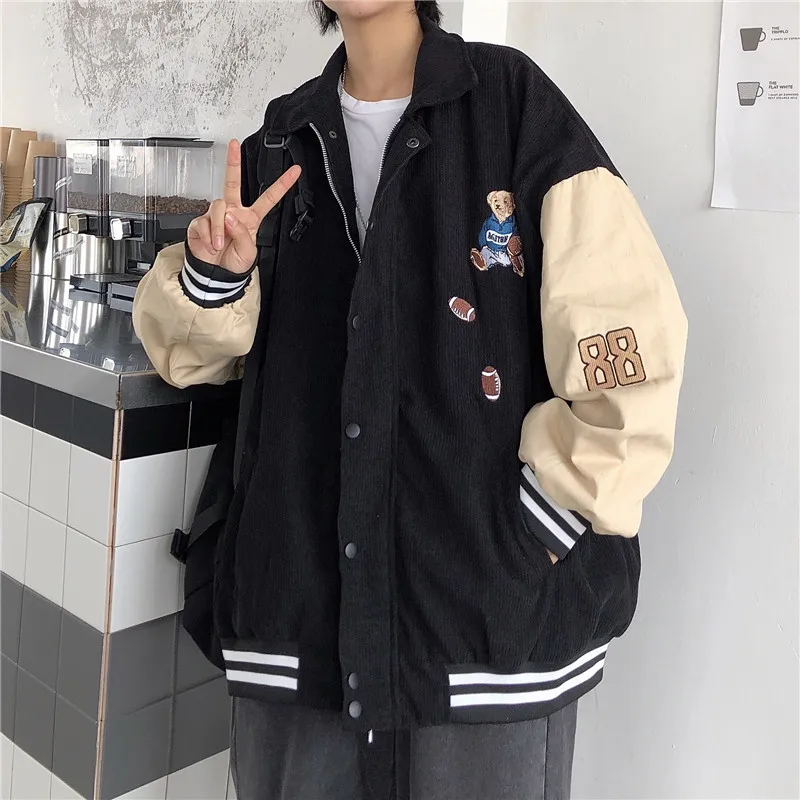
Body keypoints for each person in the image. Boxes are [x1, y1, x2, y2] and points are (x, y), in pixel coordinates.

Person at [133, 1, 688, 798]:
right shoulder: (279, 142)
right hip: (300, 629)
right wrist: (217, 273)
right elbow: (190, 356)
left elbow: (627, 344)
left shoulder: (515, 106)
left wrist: (538, 527)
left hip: (486, 637)